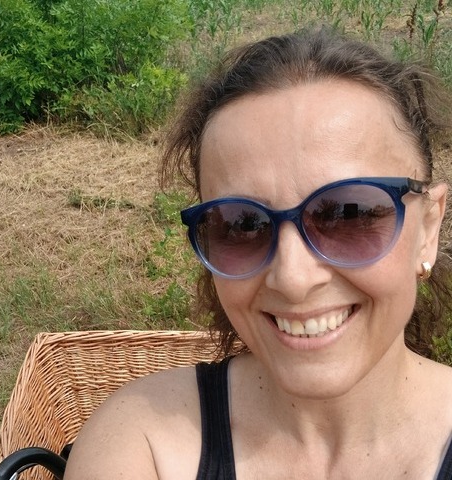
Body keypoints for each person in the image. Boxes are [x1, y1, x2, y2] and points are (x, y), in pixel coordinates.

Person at [64, 27, 452, 479]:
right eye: (241, 225)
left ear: (428, 228)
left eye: (349, 214)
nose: (293, 279)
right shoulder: (144, 440)